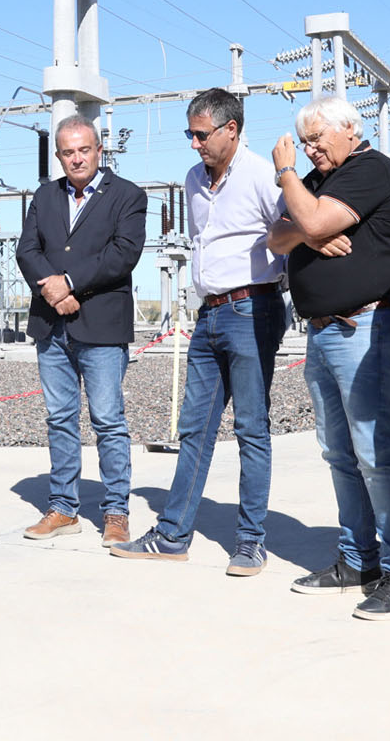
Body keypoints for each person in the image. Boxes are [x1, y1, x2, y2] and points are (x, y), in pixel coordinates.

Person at [112, 88, 286, 576]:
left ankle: (251, 541)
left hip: (253, 309)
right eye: (190, 133)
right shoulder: (193, 179)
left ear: (232, 129)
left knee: (251, 429)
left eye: (201, 134)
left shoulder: (260, 175)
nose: (194, 143)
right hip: (209, 314)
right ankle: (172, 535)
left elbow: (290, 228)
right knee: (195, 429)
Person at [268, 95, 390, 619]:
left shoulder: (369, 169)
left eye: (317, 139)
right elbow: (279, 235)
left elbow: (305, 225)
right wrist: (311, 233)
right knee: (339, 452)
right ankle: (359, 560)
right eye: (303, 142)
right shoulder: (316, 185)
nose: (310, 150)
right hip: (323, 330)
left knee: (374, 450)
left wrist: (287, 174)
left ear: (351, 130)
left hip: (368, 324)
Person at [14, 114, 147, 546]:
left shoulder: (127, 196)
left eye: (84, 150)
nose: (77, 158)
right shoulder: (46, 197)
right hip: (53, 327)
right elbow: (27, 249)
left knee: (108, 420)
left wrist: (69, 283)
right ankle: (62, 507)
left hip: (102, 327)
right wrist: (55, 292)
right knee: (59, 418)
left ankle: (115, 511)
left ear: (98, 150)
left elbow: (123, 254)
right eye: (68, 152)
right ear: (59, 156)